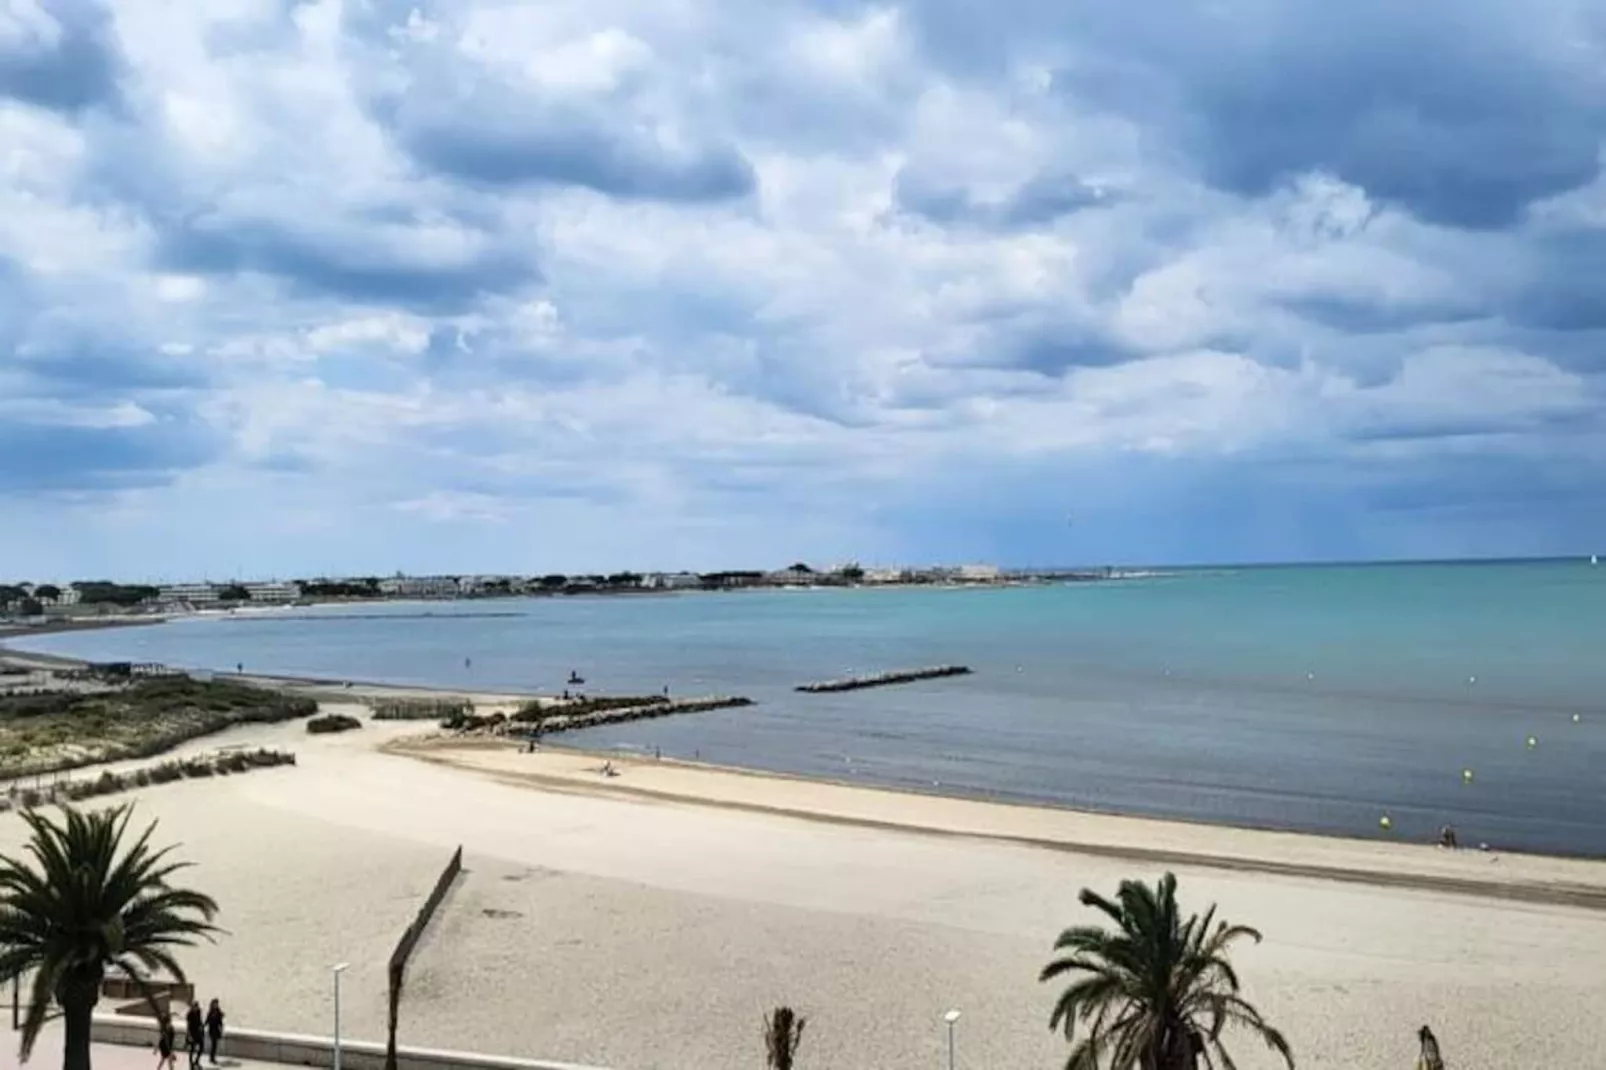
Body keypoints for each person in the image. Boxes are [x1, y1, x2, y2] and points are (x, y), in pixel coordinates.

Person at [205, 999, 225, 1065]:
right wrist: (203, 1026)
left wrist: (221, 1028)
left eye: (217, 1003)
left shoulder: (218, 1011)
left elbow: (220, 1020)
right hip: (212, 1029)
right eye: (215, 1003)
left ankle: (212, 1057)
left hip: (216, 1029)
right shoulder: (211, 1012)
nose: (216, 1005)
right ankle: (212, 1058)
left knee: (215, 1044)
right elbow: (207, 1020)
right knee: (214, 1044)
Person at [185, 1000, 205, 1069]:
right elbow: (188, 1026)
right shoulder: (189, 1014)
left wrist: (202, 1027)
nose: (195, 1008)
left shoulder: (198, 1011)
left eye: (196, 1007)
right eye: (194, 1007)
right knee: (192, 1050)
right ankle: (191, 1065)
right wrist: (189, 1035)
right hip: (192, 1033)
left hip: (198, 1033)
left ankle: (196, 1061)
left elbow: (200, 1020)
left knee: (201, 1047)